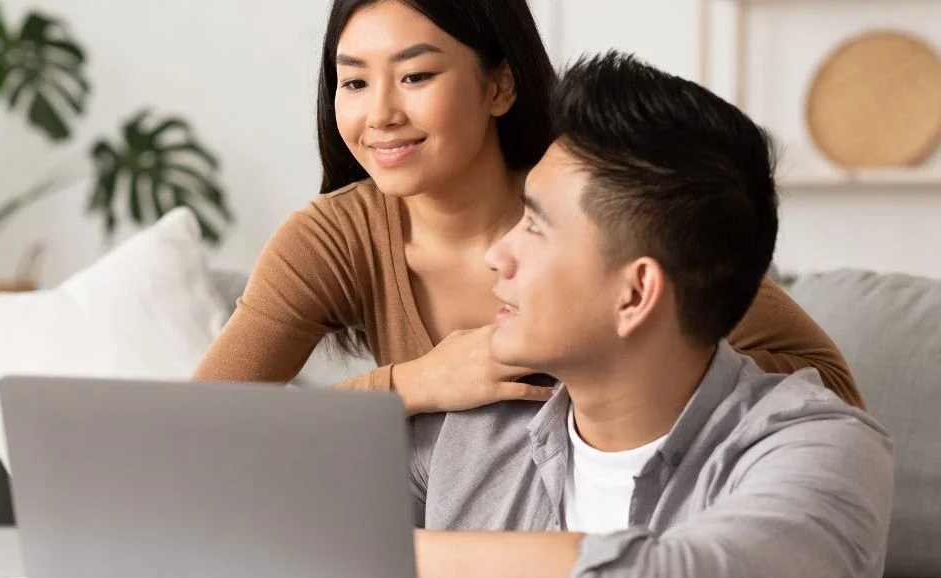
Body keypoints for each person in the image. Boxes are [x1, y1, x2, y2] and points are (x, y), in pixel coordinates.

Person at [409, 52, 894, 578]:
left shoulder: (823, 452)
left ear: (636, 294)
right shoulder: (478, 430)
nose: (496, 255)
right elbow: (290, 515)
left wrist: (399, 553)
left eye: (535, 226)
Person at [192, 0, 865, 411]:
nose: (380, 114)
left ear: (500, 86)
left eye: (416, 75)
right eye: (353, 82)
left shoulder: (596, 201)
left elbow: (833, 388)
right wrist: (415, 384)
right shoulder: (334, 240)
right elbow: (203, 427)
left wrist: (608, 370)